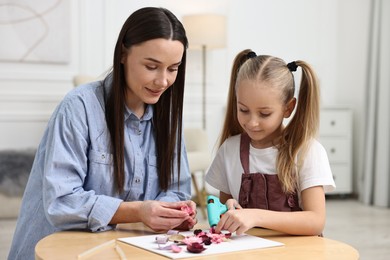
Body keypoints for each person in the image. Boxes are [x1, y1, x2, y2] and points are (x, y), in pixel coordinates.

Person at [8, 7, 197, 260]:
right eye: (152, 66)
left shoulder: (168, 117)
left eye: (173, 69)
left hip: (122, 250)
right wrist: (139, 211)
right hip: (56, 252)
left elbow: (177, 190)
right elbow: (61, 201)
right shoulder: (79, 106)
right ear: (122, 55)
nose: (163, 81)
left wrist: (174, 211)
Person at [205, 49, 335, 236]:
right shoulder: (229, 150)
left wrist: (256, 216)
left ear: (288, 108)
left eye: (264, 113)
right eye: (243, 110)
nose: (252, 122)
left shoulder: (308, 151)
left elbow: (315, 221)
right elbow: (222, 210)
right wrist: (228, 209)